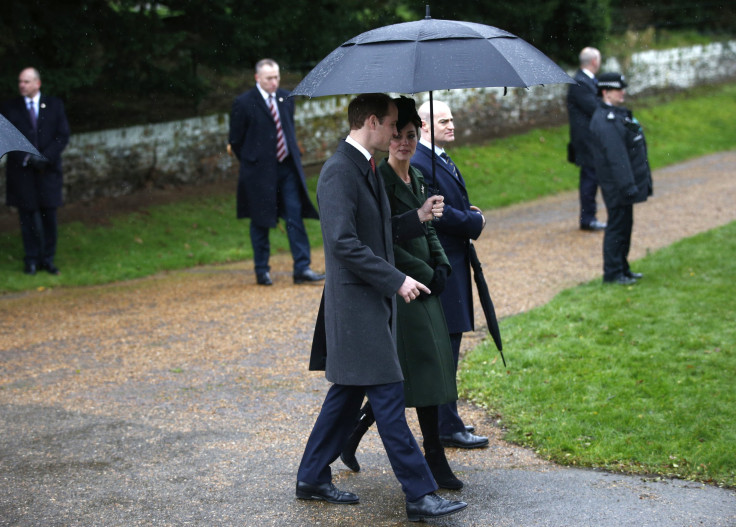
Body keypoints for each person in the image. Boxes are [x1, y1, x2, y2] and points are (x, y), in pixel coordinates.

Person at [296, 93, 467, 522]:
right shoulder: (339, 171)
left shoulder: (364, 165)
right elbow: (342, 243)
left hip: (369, 305)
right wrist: (398, 279)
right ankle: (420, 494)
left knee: (346, 395)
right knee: (390, 397)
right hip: (358, 308)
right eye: (392, 124)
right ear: (372, 121)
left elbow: (378, 230)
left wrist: (419, 216)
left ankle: (312, 476)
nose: (397, 133)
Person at [339, 97, 462, 490]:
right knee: (418, 375)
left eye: (411, 136)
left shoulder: (419, 178)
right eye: (397, 135)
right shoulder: (377, 178)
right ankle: (431, 465)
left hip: (426, 285)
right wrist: (424, 273)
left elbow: (427, 228)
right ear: (386, 135)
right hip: (405, 289)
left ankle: (352, 435)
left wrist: (441, 265)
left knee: (414, 376)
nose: (403, 142)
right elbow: (384, 239)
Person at [411, 100, 490, 450]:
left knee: (452, 341)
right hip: (441, 262)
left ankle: (449, 419)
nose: (452, 124)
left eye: (452, 119)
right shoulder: (420, 162)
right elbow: (438, 214)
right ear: (424, 125)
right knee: (445, 344)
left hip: (454, 259)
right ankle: (445, 425)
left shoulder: (439, 156)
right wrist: (475, 222)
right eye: (444, 120)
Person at [228, 58, 324, 286]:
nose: (274, 82)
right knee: (261, 220)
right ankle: (262, 270)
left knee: (294, 216)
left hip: (288, 168)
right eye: (269, 78)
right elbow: (236, 140)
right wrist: (253, 160)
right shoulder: (243, 103)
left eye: (277, 77)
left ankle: (302, 268)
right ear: (257, 78)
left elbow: (288, 130)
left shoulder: (286, 98)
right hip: (259, 173)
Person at [1, 67, 70, 276]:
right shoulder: (9, 108)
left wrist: (45, 158)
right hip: (22, 174)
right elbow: (6, 138)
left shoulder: (54, 105)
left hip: (48, 173)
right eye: (20, 82)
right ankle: (31, 260)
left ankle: (48, 259)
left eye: (27, 82)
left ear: (37, 84)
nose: (22, 85)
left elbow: (62, 135)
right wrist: (28, 158)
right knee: (28, 219)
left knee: (49, 218)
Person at [589, 73, 652, 285]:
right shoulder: (604, 120)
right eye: (618, 89)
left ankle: (622, 269)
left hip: (622, 183)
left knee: (625, 226)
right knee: (617, 227)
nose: (622, 92)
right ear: (606, 92)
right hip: (616, 185)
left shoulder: (614, 115)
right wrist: (628, 185)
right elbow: (617, 158)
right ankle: (613, 273)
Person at [567, 47, 607, 232]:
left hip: (591, 140)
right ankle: (588, 218)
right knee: (590, 179)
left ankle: (589, 217)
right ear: (594, 62)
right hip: (586, 141)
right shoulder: (581, 83)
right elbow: (594, 108)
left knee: (593, 177)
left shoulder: (587, 81)